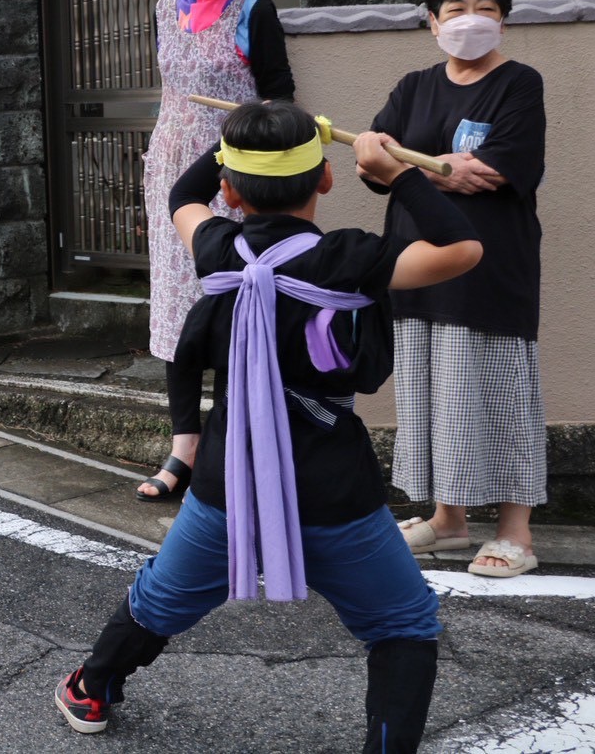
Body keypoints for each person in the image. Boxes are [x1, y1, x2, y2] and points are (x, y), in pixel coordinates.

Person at [55, 101, 482, 751]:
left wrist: (235, 139)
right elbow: (463, 248)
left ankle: (91, 687)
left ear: (229, 189)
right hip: (334, 490)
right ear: (326, 178)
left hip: (227, 484)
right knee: (402, 624)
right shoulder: (350, 257)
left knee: (160, 598)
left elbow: (182, 194)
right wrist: (398, 174)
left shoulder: (216, 247)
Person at [366, 0, 547, 578]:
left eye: (484, 9)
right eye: (455, 10)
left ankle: (516, 534)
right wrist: (438, 169)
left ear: (504, 20)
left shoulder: (519, 84)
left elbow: (495, 170)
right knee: (434, 394)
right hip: (417, 265)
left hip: (490, 267)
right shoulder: (413, 86)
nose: (470, 20)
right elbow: (371, 161)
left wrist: (407, 167)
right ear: (432, 22)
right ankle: (448, 522)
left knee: (502, 394)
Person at [137, 0, 295, 503]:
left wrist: (234, 155)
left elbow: (279, 98)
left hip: (233, 175)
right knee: (176, 308)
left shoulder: (253, 9)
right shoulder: (164, 8)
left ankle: (233, 447)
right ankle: (184, 446)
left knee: (229, 305)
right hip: (169, 172)